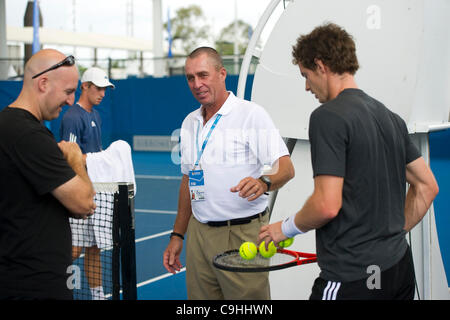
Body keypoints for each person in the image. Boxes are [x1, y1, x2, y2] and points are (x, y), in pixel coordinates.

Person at [258, 23, 439, 300]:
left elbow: (326, 205)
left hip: (354, 278)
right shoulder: (390, 118)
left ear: (320, 65)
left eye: (305, 75)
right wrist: (387, 236)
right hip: (398, 267)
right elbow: (427, 187)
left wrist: (283, 228)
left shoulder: (327, 117)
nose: (306, 86)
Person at [163, 47, 295, 300]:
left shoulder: (250, 115)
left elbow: (286, 167)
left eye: (203, 75)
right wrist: (178, 235)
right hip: (199, 233)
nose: (197, 84)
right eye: (190, 78)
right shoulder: (189, 122)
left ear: (222, 74)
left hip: (243, 235)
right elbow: (189, 180)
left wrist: (263, 182)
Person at [0, 49, 96, 300]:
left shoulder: (10, 126)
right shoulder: (28, 135)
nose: (71, 101)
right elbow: (84, 203)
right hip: (33, 284)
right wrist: (75, 158)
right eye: (67, 92)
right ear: (43, 83)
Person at [59, 66, 115, 300]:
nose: (102, 93)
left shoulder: (95, 115)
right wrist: (78, 191)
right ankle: (50, 286)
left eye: (105, 89)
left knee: (94, 247)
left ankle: (98, 295)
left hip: (95, 191)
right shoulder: (73, 117)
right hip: (79, 193)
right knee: (73, 250)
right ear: (85, 87)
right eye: (98, 88)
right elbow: (68, 156)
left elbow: (94, 153)